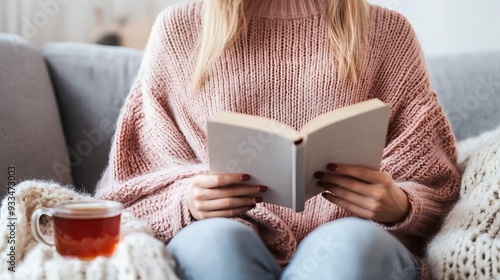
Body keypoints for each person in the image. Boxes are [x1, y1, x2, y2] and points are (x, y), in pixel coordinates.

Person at [95, 0, 461, 279]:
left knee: (352, 244)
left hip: (356, 238)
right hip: (226, 235)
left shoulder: (389, 33)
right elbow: (128, 190)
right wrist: (186, 202)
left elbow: (441, 188)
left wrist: (401, 207)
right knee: (214, 241)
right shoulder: (178, 29)